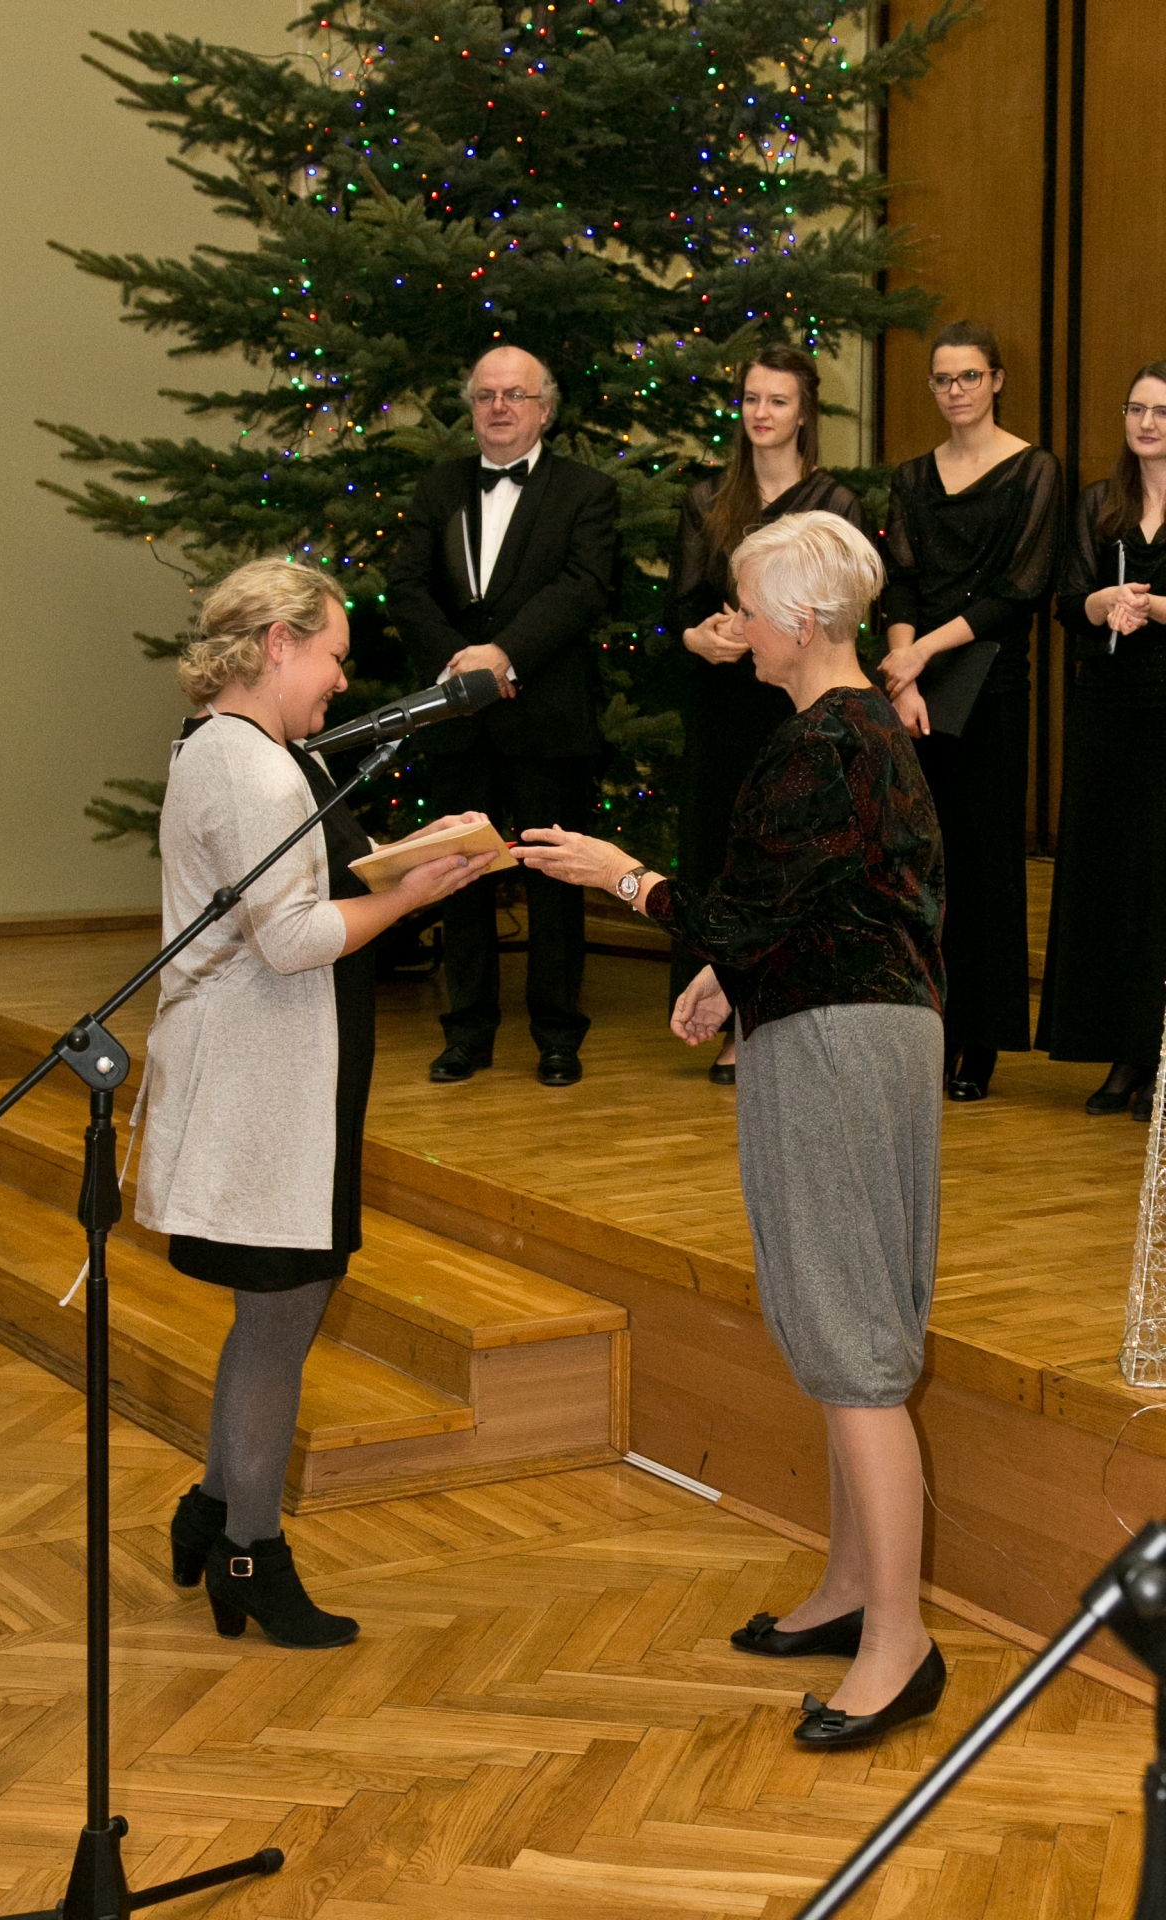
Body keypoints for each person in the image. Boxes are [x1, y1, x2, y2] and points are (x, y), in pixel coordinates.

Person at [515, 512, 948, 1750]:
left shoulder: (817, 743)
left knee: (850, 1339)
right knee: (841, 1321)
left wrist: (620, 876)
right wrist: (728, 976)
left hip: (836, 1043)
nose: (736, 628)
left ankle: (899, 1645)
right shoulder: (868, 730)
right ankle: (852, 1586)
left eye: (748, 609)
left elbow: (737, 909)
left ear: (802, 619)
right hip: (862, 1024)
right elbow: (827, 905)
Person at [135, 559, 495, 1648]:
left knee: (282, 1306)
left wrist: (401, 867)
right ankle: (250, 1552)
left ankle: (212, 1511)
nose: (342, 681)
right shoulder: (255, 770)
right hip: (261, 1084)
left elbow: (298, 891)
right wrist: (411, 894)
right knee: (283, 1311)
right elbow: (290, 939)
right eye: (333, 656)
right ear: (278, 644)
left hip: (278, 1073)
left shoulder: (237, 748)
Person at [387, 345, 619, 1088]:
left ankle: (557, 1036)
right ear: (471, 406)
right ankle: (467, 1033)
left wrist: (506, 657)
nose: (498, 407)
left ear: (544, 409)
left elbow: (583, 588)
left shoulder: (586, 491)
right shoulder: (438, 487)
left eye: (515, 395)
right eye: (486, 394)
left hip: (548, 716)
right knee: (458, 878)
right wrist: (463, 667)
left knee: (555, 882)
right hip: (458, 718)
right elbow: (405, 586)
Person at [670, 345, 866, 1086]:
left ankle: (771, 1011)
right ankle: (720, 1013)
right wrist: (700, 639)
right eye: (751, 398)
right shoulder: (707, 498)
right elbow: (682, 610)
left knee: (782, 853)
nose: (761, 413)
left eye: (777, 400)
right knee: (719, 852)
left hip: (793, 701)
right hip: (723, 699)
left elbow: (845, 612)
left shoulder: (834, 503)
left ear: (804, 412)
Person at [880, 321, 1063, 1100]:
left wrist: (920, 653)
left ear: (996, 381)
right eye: (943, 379)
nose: (955, 391)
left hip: (991, 690)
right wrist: (903, 676)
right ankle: (925, 1029)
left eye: (969, 377)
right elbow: (899, 583)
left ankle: (979, 1038)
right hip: (915, 697)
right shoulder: (912, 477)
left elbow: (1018, 591)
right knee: (916, 866)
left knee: (983, 868)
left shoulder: (1034, 471)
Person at [1037, 359, 1166, 1119]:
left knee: (1159, 883)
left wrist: (1150, 608)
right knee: (1111, 881)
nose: (1146, 423)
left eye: (1161, 411)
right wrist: (1103, 601)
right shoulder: (1098, 502)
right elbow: (1066, 601)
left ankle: (1157, 1056)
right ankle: (1123, 1051)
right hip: (1107, 710)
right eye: (1135, 409)